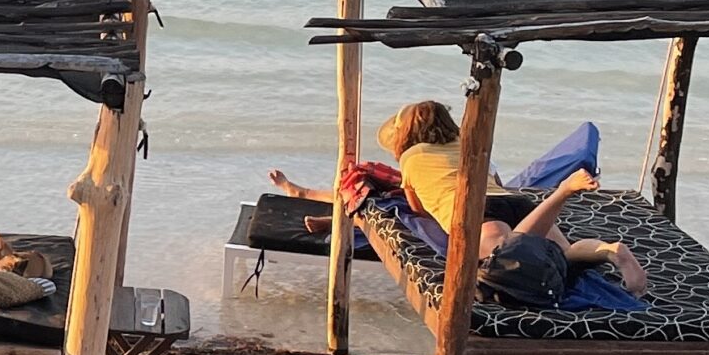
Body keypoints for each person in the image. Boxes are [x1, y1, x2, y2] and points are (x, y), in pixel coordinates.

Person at [269, 99, 649, 300]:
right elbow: (496, 179)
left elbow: (416, 209)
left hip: (472, 210)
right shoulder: (471, 145)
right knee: (564, 254)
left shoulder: (413, 158)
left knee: (501, 257)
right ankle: (609, 250)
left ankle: (564, 190)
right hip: (513, 201)